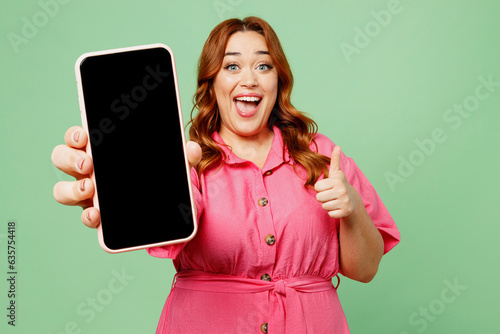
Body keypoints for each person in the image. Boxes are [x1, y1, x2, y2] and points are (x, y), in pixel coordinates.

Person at [52, 16, 400, 334]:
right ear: (212, 82)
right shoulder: (189, 161)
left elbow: (365, 269)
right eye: (232, 66)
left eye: (263, 65)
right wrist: (123, 185)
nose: (249, 79)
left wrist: (351, 204)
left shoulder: (322, 156)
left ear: (279, 80)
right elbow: (157, 225)